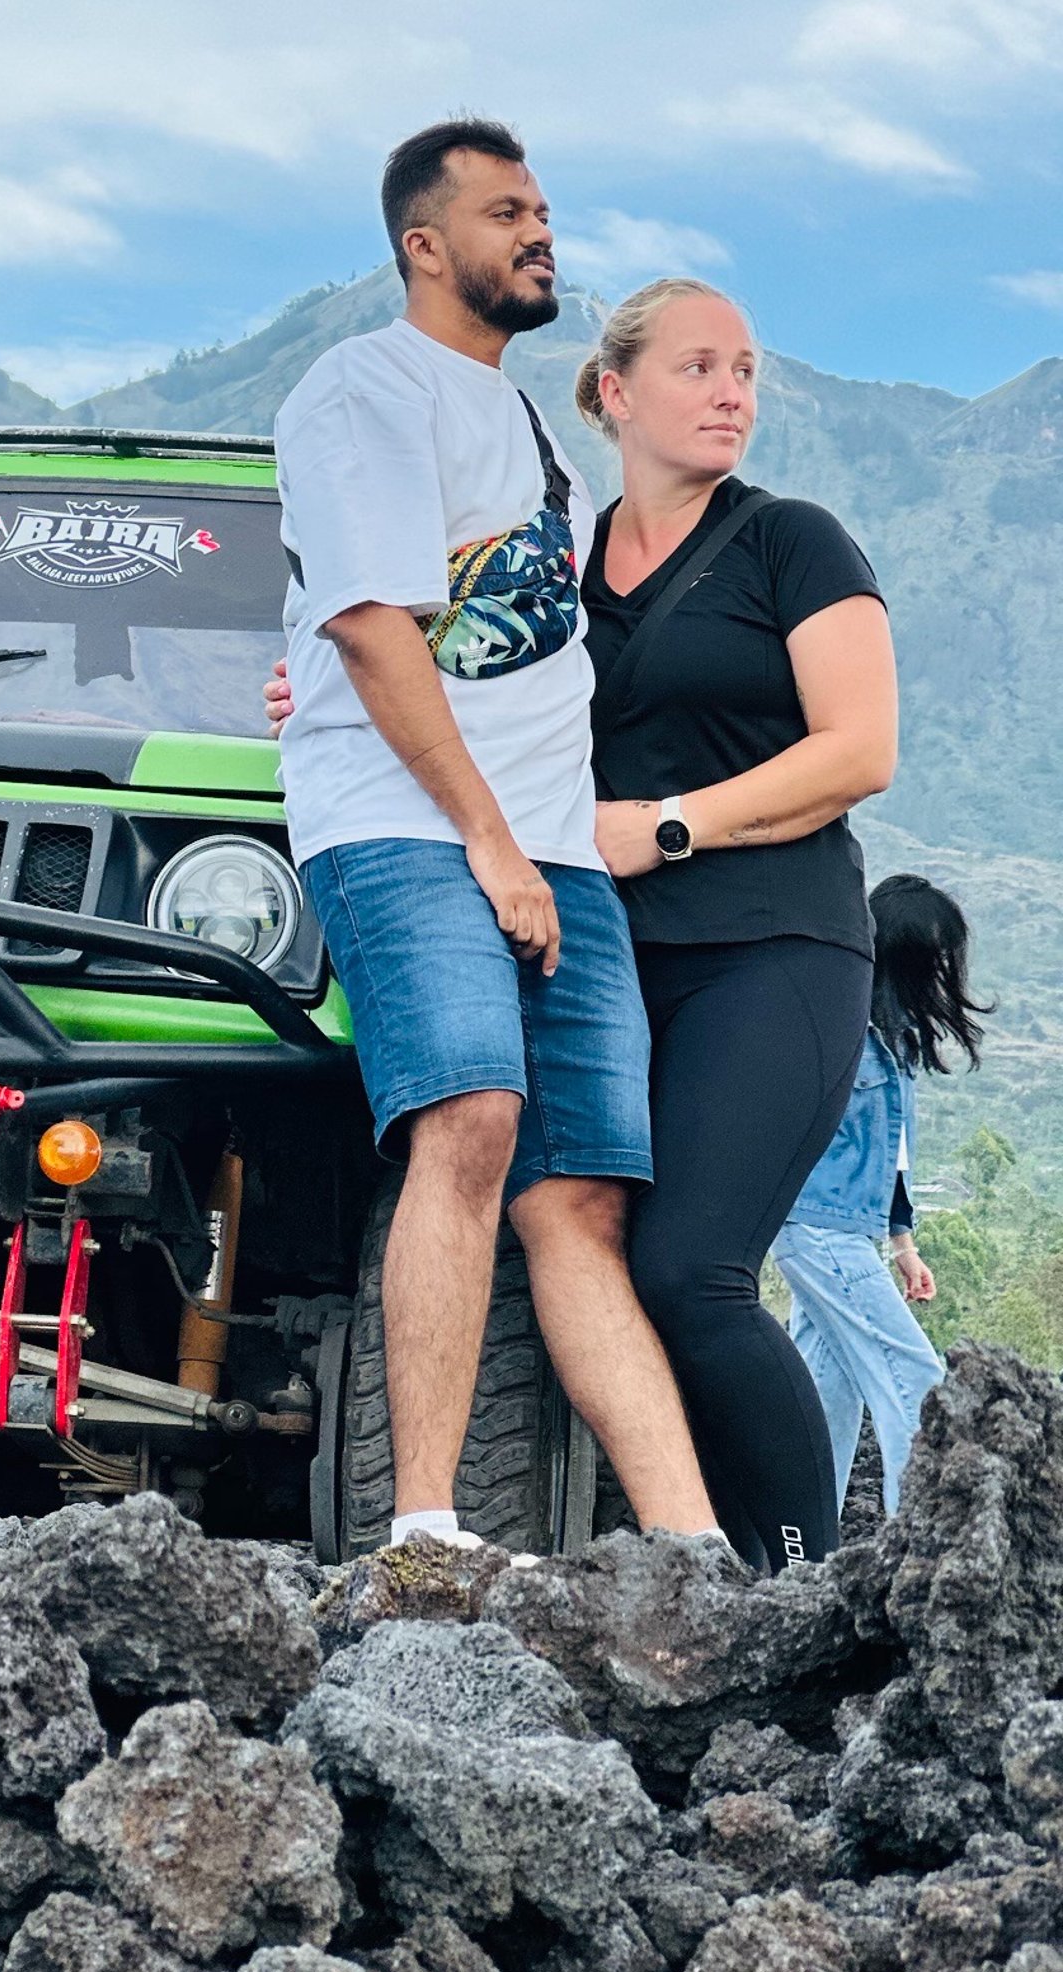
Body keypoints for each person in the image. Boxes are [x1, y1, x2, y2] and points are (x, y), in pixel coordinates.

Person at [271, 265, 900, 1570]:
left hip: (772, 949)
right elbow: (429, 670)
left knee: (692, 1274)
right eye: (699, 367)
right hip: (609, 959)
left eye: (745, 373)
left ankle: (803, 1582)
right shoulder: (554, 564)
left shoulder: (794, 542)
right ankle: (680, 1559)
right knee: (590, 1248)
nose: (732, 393)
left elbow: (860, 751)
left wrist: (668, 822)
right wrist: (317, 694)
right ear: (613, 393)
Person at [273, 118, 720, 1556]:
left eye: (542, 210)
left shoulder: (535, 434)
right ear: (425, 244)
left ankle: (694, 1551)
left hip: (554, 852)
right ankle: (423, 1528)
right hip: (411, 830)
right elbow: (372, 629)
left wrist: (548, 844)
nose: (539, 233)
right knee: (467, 1120)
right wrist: (491, 843)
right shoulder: (365, 389)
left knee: (581, 1197)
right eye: (505, 213)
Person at [769, 873, 985, 1515]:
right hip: (814, 1224)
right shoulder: (836, 1024)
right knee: (914, 1379)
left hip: (844, 1226)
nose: (947, 970)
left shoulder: (897, 1041)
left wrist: (903, 1243)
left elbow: (893, 1152)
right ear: (908, 954)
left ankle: (805, 1562)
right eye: (939, 955)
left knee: (828, 1392)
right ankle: (918, 1546)